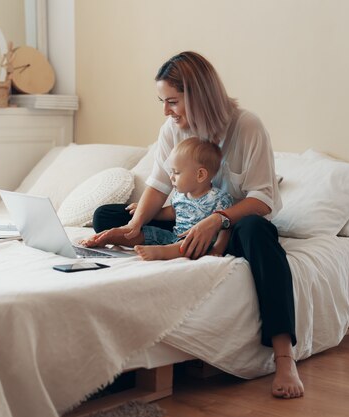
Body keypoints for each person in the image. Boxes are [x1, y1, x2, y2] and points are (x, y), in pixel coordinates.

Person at [84, 51, 304, 399]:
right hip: (186, 222)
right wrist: (135, 223)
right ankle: (152, 239)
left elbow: (263, 198)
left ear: (198, 95)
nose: (166, 111)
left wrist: (216, 221)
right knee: (107, 216)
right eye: (162, 102)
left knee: (259, 232)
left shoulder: (247, 126)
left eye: (172, 101)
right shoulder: (171, 129)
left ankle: (283, 357)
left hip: (233, 229)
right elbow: (159, 185)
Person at [84, 136, 233, 261]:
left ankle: (160, 253)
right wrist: (144, 210)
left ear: (200, 175)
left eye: (176, 172)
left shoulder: (218, 199)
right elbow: (170, 213)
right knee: (147, 234)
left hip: (198, 243)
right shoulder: (180, 196)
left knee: (185, 245)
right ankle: (107, 238)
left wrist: (217, 249)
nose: (171, 177)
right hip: (173, 236)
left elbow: (226, 228)